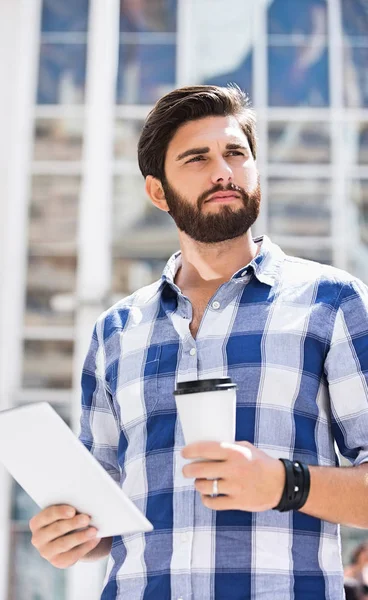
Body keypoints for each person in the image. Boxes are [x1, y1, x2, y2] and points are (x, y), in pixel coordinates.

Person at [29, 84, 368, 599]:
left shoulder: (333, 302)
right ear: (158, 192)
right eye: (197, 158)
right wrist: (71, 534)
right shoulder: (115, 331)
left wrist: (284, 483)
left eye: (236, 153)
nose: (223, 171)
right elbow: (105, 512)